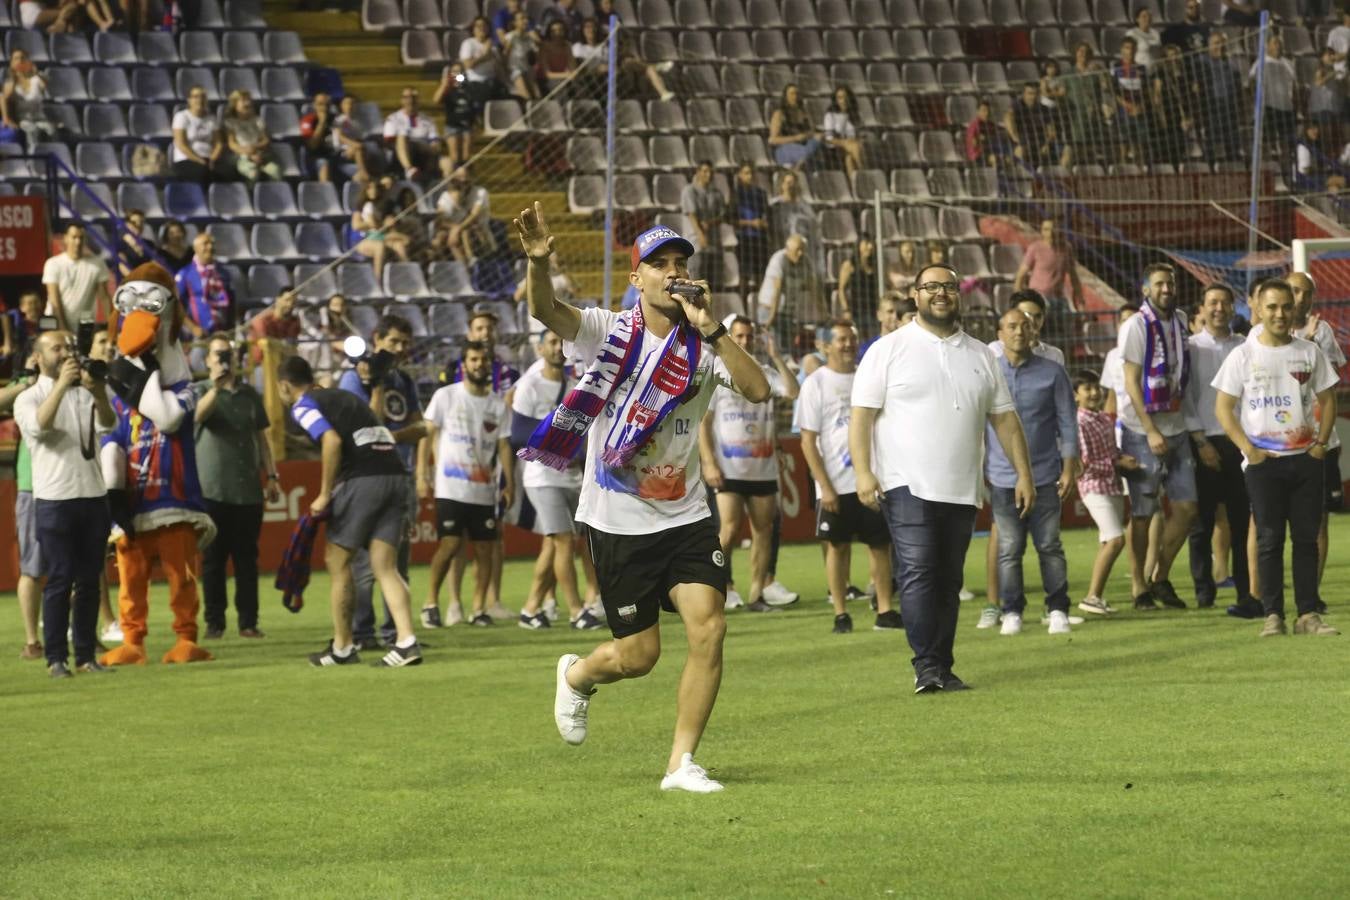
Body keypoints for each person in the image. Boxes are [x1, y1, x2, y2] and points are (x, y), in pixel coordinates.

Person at [517, 209, 771, 792]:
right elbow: (545, 310)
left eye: (680, 263)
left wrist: (713, 328)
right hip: (618, 519)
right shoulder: (607, 330)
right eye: (659, 265)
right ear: (637, 279)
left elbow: (758, 389)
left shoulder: (704, 344)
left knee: (709, 628)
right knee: (638, 657)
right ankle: (578, 675)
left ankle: (681, 764)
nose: (672, 272)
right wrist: (538, 264)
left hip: (686, 513)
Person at [851, 263, 1034, 692]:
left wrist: (1024, 474)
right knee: (918, 571)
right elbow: (861, 417)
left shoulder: (982, 355)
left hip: (963, 487)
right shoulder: (887, 349)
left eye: (948, 287)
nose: (940, 293)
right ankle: (927, 666)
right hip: (905, 483)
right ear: (915, 295)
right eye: (930, 287)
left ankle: (942, 665)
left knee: (949, 579)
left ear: (958, 295)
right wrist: (863, 472)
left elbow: (1005, 421)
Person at [1212, 279, 1340, 638]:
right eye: (1272, 307)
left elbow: (1329, 399)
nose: (1280, 313)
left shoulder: (1309, 352)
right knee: (1269, 539)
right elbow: (1222, 408)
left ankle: (1307, 614)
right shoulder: (1243, 355)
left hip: (1305, 459)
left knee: (1306, 539)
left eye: (1286, 306)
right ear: (1257, 308)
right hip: (1263, 463)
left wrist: (1320, 444)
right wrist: (1248, 449)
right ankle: (1273, 615)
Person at [280, 356, 424, 666]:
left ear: (284, 386)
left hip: (363, 479)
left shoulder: (302, 405)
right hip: (396, 473)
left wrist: (324, 494)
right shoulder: (344, 397)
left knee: (337, 560)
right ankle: (406, 642)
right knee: (385, 566)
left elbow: (331, 441)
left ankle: (344, 646)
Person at [13, 330, 116, 677]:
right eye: (56, 348)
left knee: (89, 580)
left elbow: (108, 423)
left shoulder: (85, 391)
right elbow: (40, 427)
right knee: (59, 578)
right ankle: (56, 658)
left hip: (93, 495)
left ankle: (85, 656)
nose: (65, 353)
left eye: (67, 347)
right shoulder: (28, 398)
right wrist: (61, 386)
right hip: (54, 499)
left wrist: (97, 390)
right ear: (39, 357)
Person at [983, 308, 1081, 637]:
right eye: (1012, 326)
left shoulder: (1053, 372)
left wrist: (1069, 465)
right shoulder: (988, 372)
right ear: (999, 334)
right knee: (1009, 548)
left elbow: (1067, 421)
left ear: (1033, 331)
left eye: (1025, 326)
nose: (1019, 332)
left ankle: (1058, 608)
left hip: (1045, 474)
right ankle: (1012, 611)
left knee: (1049, 545)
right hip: (1001, 476)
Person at [798, 319, 901, 634]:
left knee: (880, 545)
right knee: (838, 547)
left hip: (870, 478)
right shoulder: (816, 383)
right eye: (841, 339)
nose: (848, 344)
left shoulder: (867, 377)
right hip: (836, 483)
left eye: (852, 338)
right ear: (825, 346)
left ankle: (885, 610)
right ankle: (841, 613)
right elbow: (808, 441)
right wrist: (824, 487)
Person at [700, 318, 799, 612]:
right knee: (728, 531)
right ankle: (718, 589)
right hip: (729, 467)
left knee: (763, 530)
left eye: (749, 336)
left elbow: (793, 392)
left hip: (762, 467)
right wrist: (709, 462)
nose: (745, 341)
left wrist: (777, 357)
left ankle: (756, 595)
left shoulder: (765, 372)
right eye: (739, 336)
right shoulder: (718, 371)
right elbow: (704, 423)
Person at [338, 314, 423, 649]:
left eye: (404, 343)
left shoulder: (404, 380)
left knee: (398, 559)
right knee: (364, 564)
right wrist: (377, 384)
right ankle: (362, 633)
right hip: (366, 477)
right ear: (376, 340)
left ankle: (395, 633)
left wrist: (393, 436)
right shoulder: (353, 378)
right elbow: (366, 425)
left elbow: (421, 427)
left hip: (401, 475)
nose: (399, 349)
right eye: (393, 342)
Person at [1119, 262, 1198, 610]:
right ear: (1145, 289)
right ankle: (1139, 586)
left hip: (1177, 426)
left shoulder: (1180, 319)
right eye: (1160, 283)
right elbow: (1131, 382)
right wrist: (1150, 429)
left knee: (1187, 508)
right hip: (1142, 431)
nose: (1167, 289)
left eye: (1171, 283)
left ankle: (1160, 576)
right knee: (1143, 512)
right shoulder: (1135, 326)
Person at [513, 329, 603, 630]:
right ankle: (577, 611)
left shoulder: (575, 386)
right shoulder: (529, 386)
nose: (556, 348)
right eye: (550, 342)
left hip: (572, 476)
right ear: (539, 349)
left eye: (559, 342)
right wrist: (564, 447)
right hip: (541, 476)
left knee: (554, 545)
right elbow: (518, 434)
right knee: (564, 542)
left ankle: (530, 609)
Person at [419, 341, 513, 628]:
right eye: (473, 359)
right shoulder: (446, 396)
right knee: (449, 545)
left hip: (483, 490)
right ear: (464, 365)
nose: (479, 364)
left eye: (483, 360)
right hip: (450, 488)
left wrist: (509, 483)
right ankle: (431, 603)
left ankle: (478, 609)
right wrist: (421, 473)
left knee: (485, 550)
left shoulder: (498, 405)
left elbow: (504, 446)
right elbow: (426, 434)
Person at [194, 333, 279, 640]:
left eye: (227, 354)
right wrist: (216, 387)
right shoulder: (200, 390)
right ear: (207, 360)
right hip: (212, 489)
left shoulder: (249, 394)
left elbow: (262, 437)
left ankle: (248, 621)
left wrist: (272, 475)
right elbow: (198, 416)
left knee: (246, 560)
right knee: (213, 560)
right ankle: (214, 622)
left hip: (247, 490)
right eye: (217, 355)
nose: (223, 360)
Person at [1182, 283, 1252, 613]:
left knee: (1241, 523)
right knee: (1202, 523)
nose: (1219, 308)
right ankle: (1203, 592)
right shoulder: (1190, 347)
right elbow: (1186, 397)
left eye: (1225, 302)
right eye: (1213, 302)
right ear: (1202, 308)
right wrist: (1200, 441)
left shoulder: (1245, 346)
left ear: (1233, 307)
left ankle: (1246, 591)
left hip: (1240, 442)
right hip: (1203, 441)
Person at [1287, 271, 1346, 614]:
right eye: (1295, 291)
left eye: (1306, 293)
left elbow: (1331, 386)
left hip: (1320, 441)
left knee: (1318, 518)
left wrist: (1312, 346)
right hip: (1280, 442)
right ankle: (1263, 594)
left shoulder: (1322, 331)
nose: (1300, 299)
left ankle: (1312, 593)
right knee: (1268, 522)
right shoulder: (1262, 334)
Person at [1074, 369, 1139, 615]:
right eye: (1087, 389)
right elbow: (1084, 464)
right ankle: (1091, 597)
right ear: (1076, 395)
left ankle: (1096, 597)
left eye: (1096, 388)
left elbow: (1111, 451)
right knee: (1116, 539)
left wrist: (1121, 457)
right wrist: (1117, 463)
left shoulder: (1103, 418)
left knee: (1107, 541)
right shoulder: (1079, 422)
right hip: (1093, 487)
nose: (1094, 393)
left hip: (1112, 485)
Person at [1, 361, 45, 660]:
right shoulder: (27, 387)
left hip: (71, 484)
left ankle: (83, 635)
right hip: (33, 485)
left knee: (76, 567)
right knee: (33, 566)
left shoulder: (75, 382)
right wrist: (26, 383)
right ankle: (32, 642)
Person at [759, 233, 827, 357]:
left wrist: (825, 314)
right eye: (797, 250)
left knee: (786, 352)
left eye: (803, 250)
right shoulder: (778, 260)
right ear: (787, 249)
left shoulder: (806, 262)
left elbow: (814, 290)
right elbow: (777, 290)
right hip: (769, 310)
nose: (800, 253)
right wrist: (771, 318)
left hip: (788, 312)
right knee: (772, 351)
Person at [43, 224, 112, 332]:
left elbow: (104, 297)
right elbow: (54, 300)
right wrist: (63, 329)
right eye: (74, 237)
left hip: (84, 326)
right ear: (65, 238)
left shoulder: (97, 263)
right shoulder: (53, 264)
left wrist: (112, 327)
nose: (78, 242)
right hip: (55, 324)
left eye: (81, 238)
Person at [1014, 220, 1084, 316]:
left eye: (1053, 229)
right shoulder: (1035, 248)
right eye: (1046, 230)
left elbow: (1074, 277)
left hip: (1058, 298)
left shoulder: (1066, 249)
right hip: (1038, 297)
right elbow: (1021, 275)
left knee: (1067, 321)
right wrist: (1018, 301)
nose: (1050, 233)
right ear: (1042, 232)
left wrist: (1080, 301)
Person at [175, 232, 236, 342]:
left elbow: (232, 303)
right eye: (205, 244)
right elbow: (176, 305)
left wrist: (232, 328)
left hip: (222, 334)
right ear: (195, 248)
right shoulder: (186, 274)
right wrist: (193, 328)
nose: (210, 247)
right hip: (198, 337)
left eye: (212, 243)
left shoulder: (223, 273)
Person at [350, 179, 412, 279]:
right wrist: (372, 224)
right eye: (370, 188)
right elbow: (356, 226)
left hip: (379, 236)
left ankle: (408, 276)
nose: (373, 191)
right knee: (380, 246)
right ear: (365, 190)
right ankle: (377, 279)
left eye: (376, 188)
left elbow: (385, 228)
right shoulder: (362, 206)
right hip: (363, 239)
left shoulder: (385, 205)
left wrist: (389, 224)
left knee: (399, 246)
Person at [1197, 33, 1243, 165]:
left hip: (1230, 104)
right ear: (1209, 45)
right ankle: (1210, 165)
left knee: (1232, 137)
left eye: (1222, 43)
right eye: (1216, 43)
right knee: (1212, 137)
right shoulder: (1202, 61)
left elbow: (1237, 82)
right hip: (1211, 105)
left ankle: (1233, 162)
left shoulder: (1231, 62)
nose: (1220, 46)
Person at [433, 167, 495, 264]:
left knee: (464, 234)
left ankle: (470, 263)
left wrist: (457, 229)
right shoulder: (446, 196)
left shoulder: (480, 192)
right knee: (440, 239)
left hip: (476, 228)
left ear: (472, 177)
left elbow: (474, 215)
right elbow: (439, 220)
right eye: (459, 177)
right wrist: (455, 228)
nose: (463, 180)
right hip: (453, 229)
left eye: (465, 177)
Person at [988, 289, 1065, 365]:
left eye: (1038, 316)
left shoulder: (1054, 355)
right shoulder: (996, 349)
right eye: (1026, 315)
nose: (1032, 321)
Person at [681, 160, 726, 292]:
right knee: (696, 283)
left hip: (714, 245)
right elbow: (691, 215)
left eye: (711, 172)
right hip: (695, 245)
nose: (708, 175)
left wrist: (710, 223)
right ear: (698, 172)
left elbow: (722, 216)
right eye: (705, 171)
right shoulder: (689, 190)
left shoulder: (717, 193)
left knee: (713, 285)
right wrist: (700, 235)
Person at [1250, 36, 1297, 161]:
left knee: (1287, 141)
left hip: (1287, 107)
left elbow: (1294, 85)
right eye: (1275, 43)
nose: (1278, 46)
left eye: (1280, 43)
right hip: (1269, 107)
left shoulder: (1288, 64)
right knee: (1268, 140)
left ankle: (1286, 163)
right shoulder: (1261, 62)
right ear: (1267, 46)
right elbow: (1251, 82)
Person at [1, 49, 58, 149]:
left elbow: (44, 84)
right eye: (16, 59)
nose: (20, 61)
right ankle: (32, 156)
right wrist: (15, 77)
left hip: (40, 117)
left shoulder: (36, 79)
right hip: (23, 119)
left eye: (23, 58)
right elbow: (4, 98)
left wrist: (35, 72)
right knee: (33, 131)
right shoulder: (9, 83)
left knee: (51, 130)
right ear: (12, 63)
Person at [383, 87, 442, 182]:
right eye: (407, 97)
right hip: (399, 157)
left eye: (413, 97)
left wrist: (427, 146)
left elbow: (435, 142)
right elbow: (389, 142)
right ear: (402, 100)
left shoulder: (428, 120)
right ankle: (409, 169)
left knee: (446, 162)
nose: (410, 101)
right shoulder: (393, 118)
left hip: (423, 154)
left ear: (418, 100)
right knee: (402, 138)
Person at [171, 86, 227, 186]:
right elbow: (181, 144)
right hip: (187, 160)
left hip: (209, 159)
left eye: (203, 97)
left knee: (228, 173)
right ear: (189, 100)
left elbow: (218, 143)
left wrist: (212, 159)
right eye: (195, 97)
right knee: (203, 173)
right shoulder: (181, 116)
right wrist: (199, 160)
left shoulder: (212, 119)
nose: (200, 100)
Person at [222, 90, 280, 183]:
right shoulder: (230, 123)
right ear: (235, 104)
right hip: (242, 157)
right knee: (253, 173)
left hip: (260, 154)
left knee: (275, 171)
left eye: (248, 100)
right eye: (243, 100)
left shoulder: (258, 120)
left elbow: (265, 140)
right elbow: (232, 144)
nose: (247, 103)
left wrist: (256, 149)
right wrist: (248, 154)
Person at [732, 162, 771, 297]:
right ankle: (743, 305)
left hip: (760, 240)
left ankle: (762, 303)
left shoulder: (761, 194)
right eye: (746, 173)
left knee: (761, 276)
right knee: (744, 277)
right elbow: (731, 220)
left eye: (752, 173)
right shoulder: (736, 195)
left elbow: (767, 214)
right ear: (740, 175)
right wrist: (751, 223)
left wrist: (764, 223)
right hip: (744, 239)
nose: (750, 176)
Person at [836, 233, 880, 339]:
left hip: (873, 309)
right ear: (859, 245)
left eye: (871, 244)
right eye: (866, 243)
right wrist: (846, 310)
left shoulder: (876, 265)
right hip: (857, 310)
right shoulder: (849, 265)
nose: (870, 246)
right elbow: (841, 289)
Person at [768, 84, 822, 170]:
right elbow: (772, 140)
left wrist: (808, 135)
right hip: (785, 149)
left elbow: (812, 132)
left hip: (804, 146)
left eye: (797, 93)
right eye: (792, 93)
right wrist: (796, 138)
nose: (795, 96)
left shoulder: (804, 114)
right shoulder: (779, 114)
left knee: (819, 140)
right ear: (785, 97)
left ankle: (798, 168)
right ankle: (797, 168)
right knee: (808, 154)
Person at [247, 288, 303, 368]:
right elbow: (266, 344)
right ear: (278, 300)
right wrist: (285, 347)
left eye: (294, 302)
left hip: (285, 365)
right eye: (287, 300)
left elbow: (292, 348)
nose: (290, 305)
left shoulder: (294, 322)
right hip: (261, 365)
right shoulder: (262, 320)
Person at [858, 294, 914, 360]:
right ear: (879, 315)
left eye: (898, 312)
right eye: (890, 311)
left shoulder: (911, 345)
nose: (895, 316)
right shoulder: (867, 349)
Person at [823, 86, 864, 177]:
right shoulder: (830, 115)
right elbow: (829, 138)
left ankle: (855, 184)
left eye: (846, 97)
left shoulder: (855, 115)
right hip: (836, 147)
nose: (843, 100)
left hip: (853, 146)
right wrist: (845, 143)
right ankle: (863, 171)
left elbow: (859, 134)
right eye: (840, 98)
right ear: (836, 100)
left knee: (849, 159)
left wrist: (858, 140)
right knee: (854, 146)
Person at [299, 91, 339, 182]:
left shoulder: (336, 119)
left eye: (327, 104)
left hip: (336, 156)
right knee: (324, 164)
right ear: (314, 105)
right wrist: (322, 122)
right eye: (320, 104)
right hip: (316, 158)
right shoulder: (307, 120)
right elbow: (312, 145)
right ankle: (326, 190)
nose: (324, 107)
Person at [116, 209, 156, 279]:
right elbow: (124, 268)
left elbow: (155, 266)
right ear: (127, 224)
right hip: (129, 282)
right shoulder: (120, 245)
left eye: (141, 222)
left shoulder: (149, 244)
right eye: (133, 222)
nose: (138, 225)